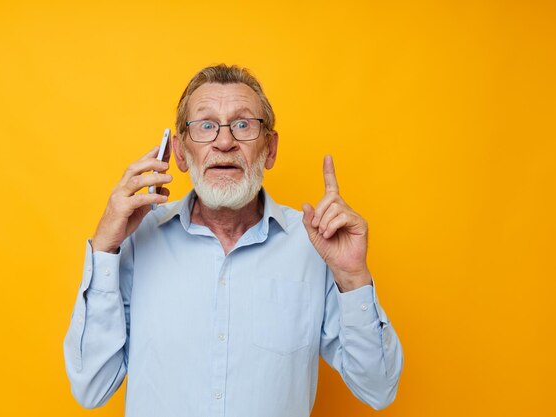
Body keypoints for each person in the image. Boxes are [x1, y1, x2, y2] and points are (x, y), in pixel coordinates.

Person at [64, 64, 403, 417]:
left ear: (269, 149)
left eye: (242, 125)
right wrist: (104, 249)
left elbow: (378, 389)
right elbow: (92, 387)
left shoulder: (314, 246)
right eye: (206, 126)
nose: (224, 142)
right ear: (180, 153)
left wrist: (352, 278)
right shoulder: (136, 242)